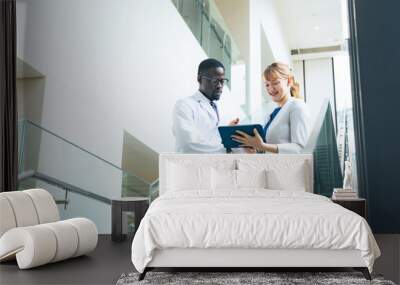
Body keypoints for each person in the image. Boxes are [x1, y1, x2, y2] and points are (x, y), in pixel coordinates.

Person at [232, 62, 309, 154]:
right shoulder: (272, 114)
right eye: (267, 85)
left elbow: (300, 148)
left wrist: (262, 146)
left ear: (289, 81)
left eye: (275, 83)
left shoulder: (297, 106)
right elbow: (268, 149)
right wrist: (254, 148)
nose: (271, 89)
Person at [172, 58, 239, 153]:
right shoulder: (184, 105)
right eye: (215, 81)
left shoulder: (216, 107)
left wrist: (227, 133)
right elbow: (188, 145)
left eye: (222, 81)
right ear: (199, 79)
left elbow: (212, 138)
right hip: (191, 166)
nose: (220, 86)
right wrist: (226, 150)